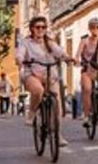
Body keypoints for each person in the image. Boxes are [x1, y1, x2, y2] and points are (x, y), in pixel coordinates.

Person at [16, 16, 72, 145]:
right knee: (38, 90)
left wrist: (68, 58)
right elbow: (20, 54)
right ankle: (31, 113)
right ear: (32, 29)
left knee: (58, 104)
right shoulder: (26, 43)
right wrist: (19, 60)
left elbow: (60, 52)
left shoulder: (50, 43)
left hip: (50, 75)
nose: (41, 29)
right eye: (38, 27)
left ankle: (58, 135)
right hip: (32, 74)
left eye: (43, 27)